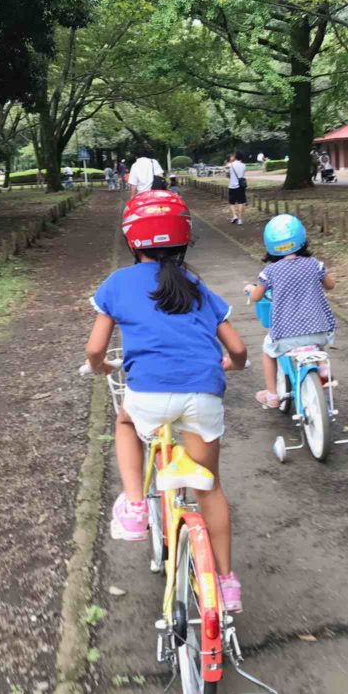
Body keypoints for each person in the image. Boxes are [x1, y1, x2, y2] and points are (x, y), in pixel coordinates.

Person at [85, 190, 248, 611]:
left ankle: (136, 505)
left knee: (125, 423)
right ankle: (226, 585)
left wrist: (102, 366)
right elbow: (239, 348)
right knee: (208, 488)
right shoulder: (194, 284)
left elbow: (94, 348)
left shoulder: (117, 283)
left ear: (131, 240)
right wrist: (233, 365)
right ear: (184, 238)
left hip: (149, 395)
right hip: (203, 396)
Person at [244, 214, 337, 411]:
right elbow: (330, 285)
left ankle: (272, 395)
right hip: (320, 331)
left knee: (268, 351)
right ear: (302, 239)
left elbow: (256, 296)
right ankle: (323, 373)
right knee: (317, 345)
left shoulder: (270, 272)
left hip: (286, 335)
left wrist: (250, 289)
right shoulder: (315, 264)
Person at [226, 151, 247, 225]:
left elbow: (227, 175)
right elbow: (243, 175)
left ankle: (234, 215)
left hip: (232, 186)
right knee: (241, 202)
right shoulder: (244, 165)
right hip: (240, 187)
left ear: (235, 157)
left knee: (232, 202)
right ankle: (240, 219)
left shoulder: (230, 165)